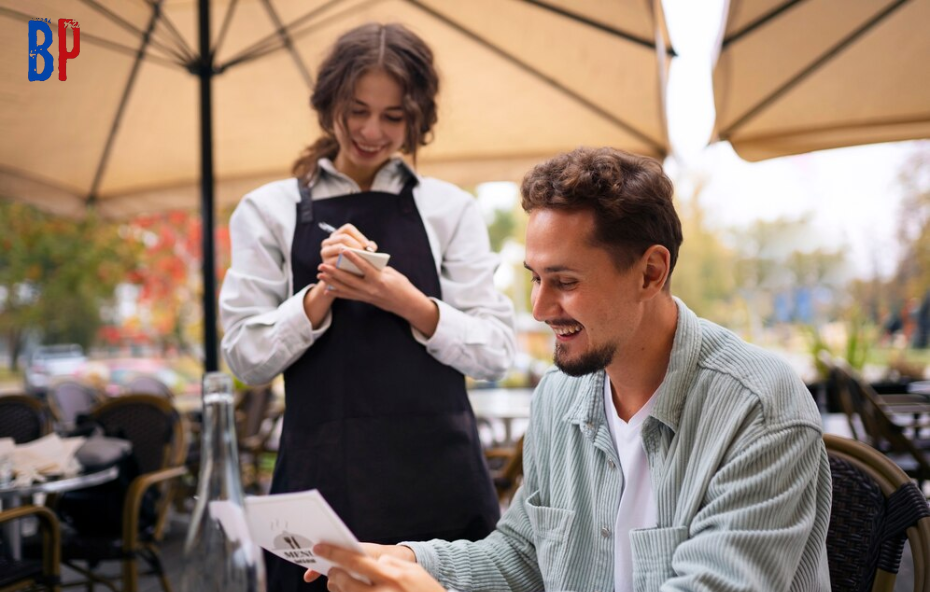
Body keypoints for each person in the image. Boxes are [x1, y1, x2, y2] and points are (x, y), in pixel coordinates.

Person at [307, 147, 833, 591]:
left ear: (650, 272)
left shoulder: (760, 411)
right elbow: (524, 554)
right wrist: (411, 563)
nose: (538, 308)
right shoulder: (559, 396)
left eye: (565, 281)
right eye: (534, 277)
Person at [219, 22, 515, 591]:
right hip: (323, 489)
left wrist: (405, 301)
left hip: (441, 484)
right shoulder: (269, 210)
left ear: (417, 118)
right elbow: (245, 358)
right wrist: (321, 292)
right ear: (329, 102)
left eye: (393, 116)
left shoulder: (450, 210)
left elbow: (497, 352)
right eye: (357, 110)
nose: (371, 131)